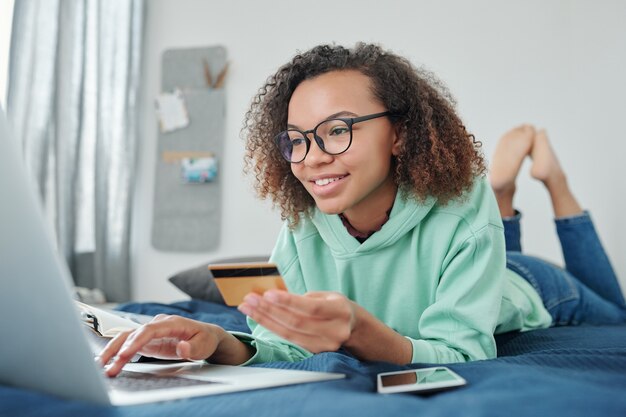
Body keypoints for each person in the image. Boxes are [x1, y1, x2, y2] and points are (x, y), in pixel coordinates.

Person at [98, 43, 625, 377]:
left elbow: (466, 353)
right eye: (298, 139)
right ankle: (505, 202)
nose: (313, 157)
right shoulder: (303, 220)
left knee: (617, 313)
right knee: (487, 220)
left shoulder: (460, 206)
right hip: (474, 248)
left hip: (531, 287)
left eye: (337, 130)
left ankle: (554, 187)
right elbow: (285, 348)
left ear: (399, 133)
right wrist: (220, 342)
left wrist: (362, 333)